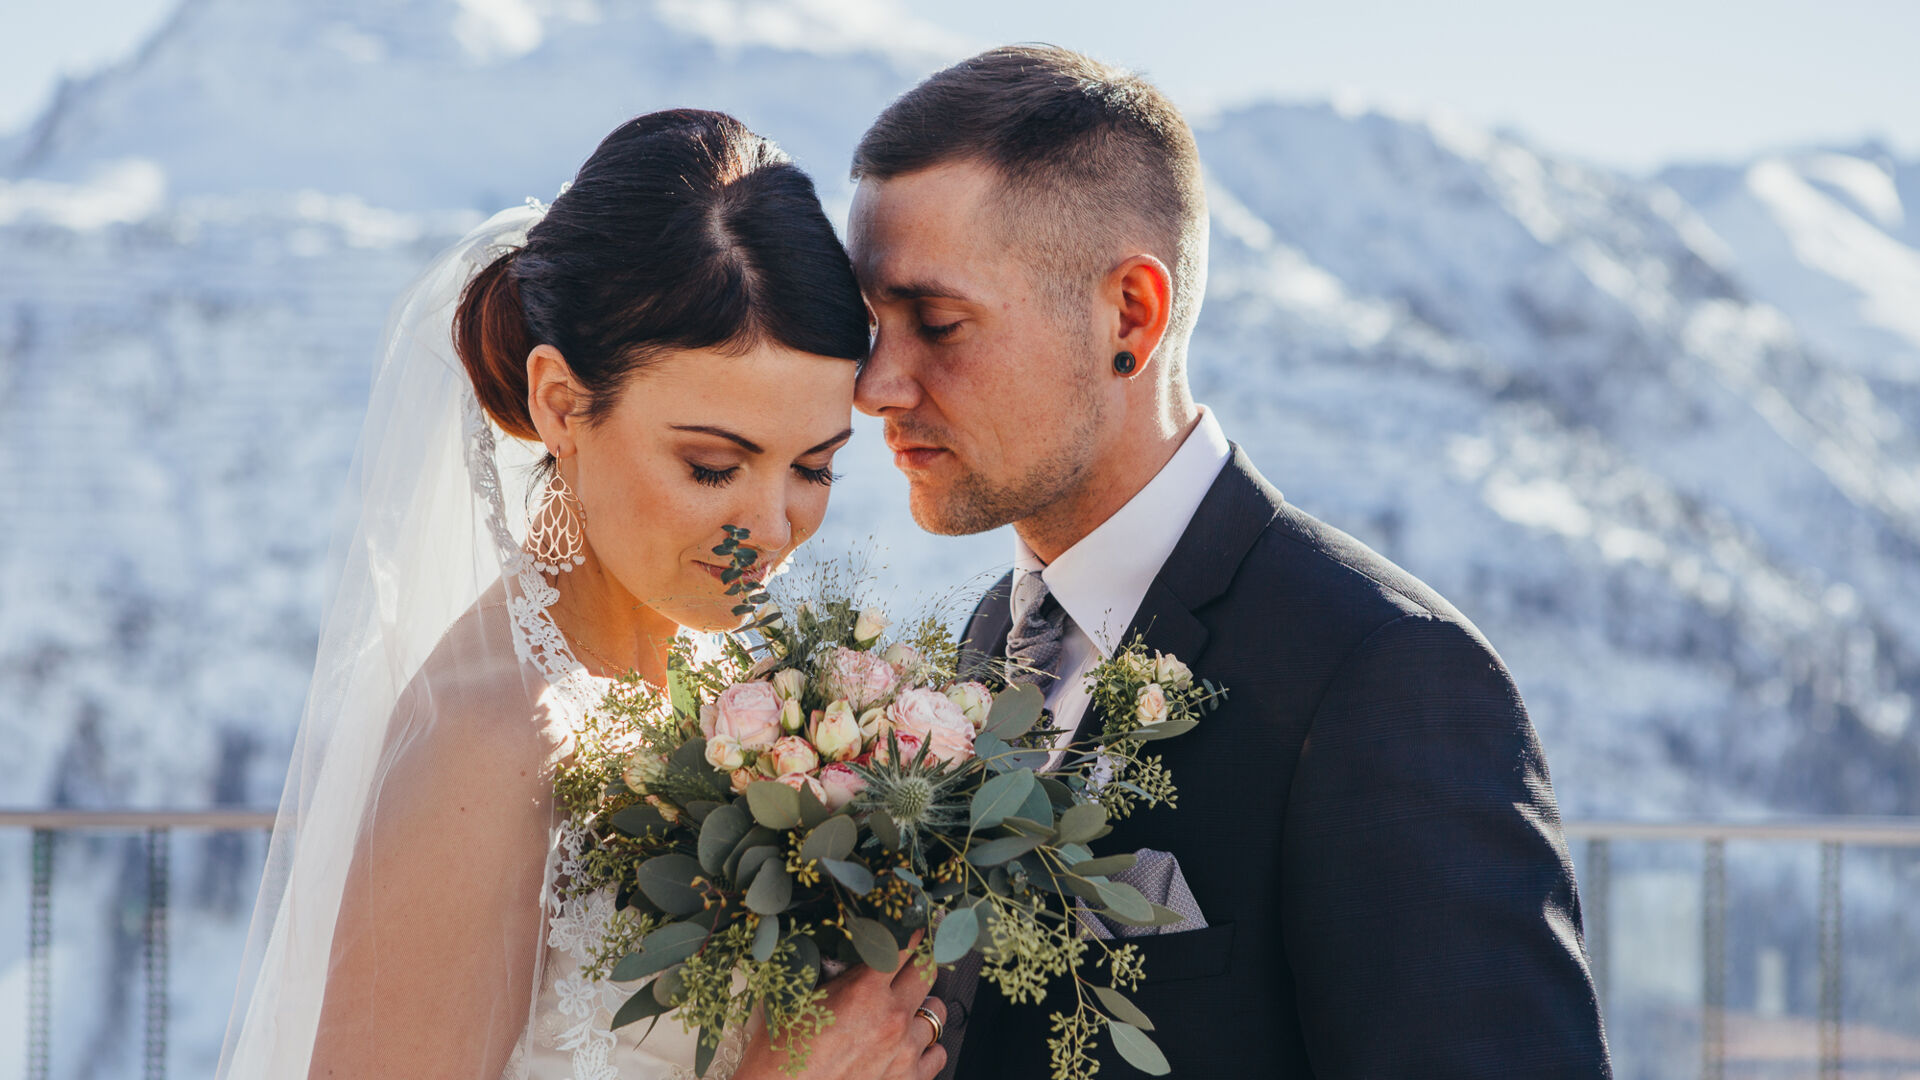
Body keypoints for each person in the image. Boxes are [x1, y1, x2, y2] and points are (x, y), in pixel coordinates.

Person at [849, 47, 1614, 1077]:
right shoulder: (983, 643)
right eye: (870, 328)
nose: (879, 387)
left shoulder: (1383, 674)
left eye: (937, 324)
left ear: (1131, 314)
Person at [218, 110, 949, 1080]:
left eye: (813, 468)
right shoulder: (486, 742)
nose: (772, 528)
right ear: (562, 405)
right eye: (712, 465)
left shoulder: (732, 685)